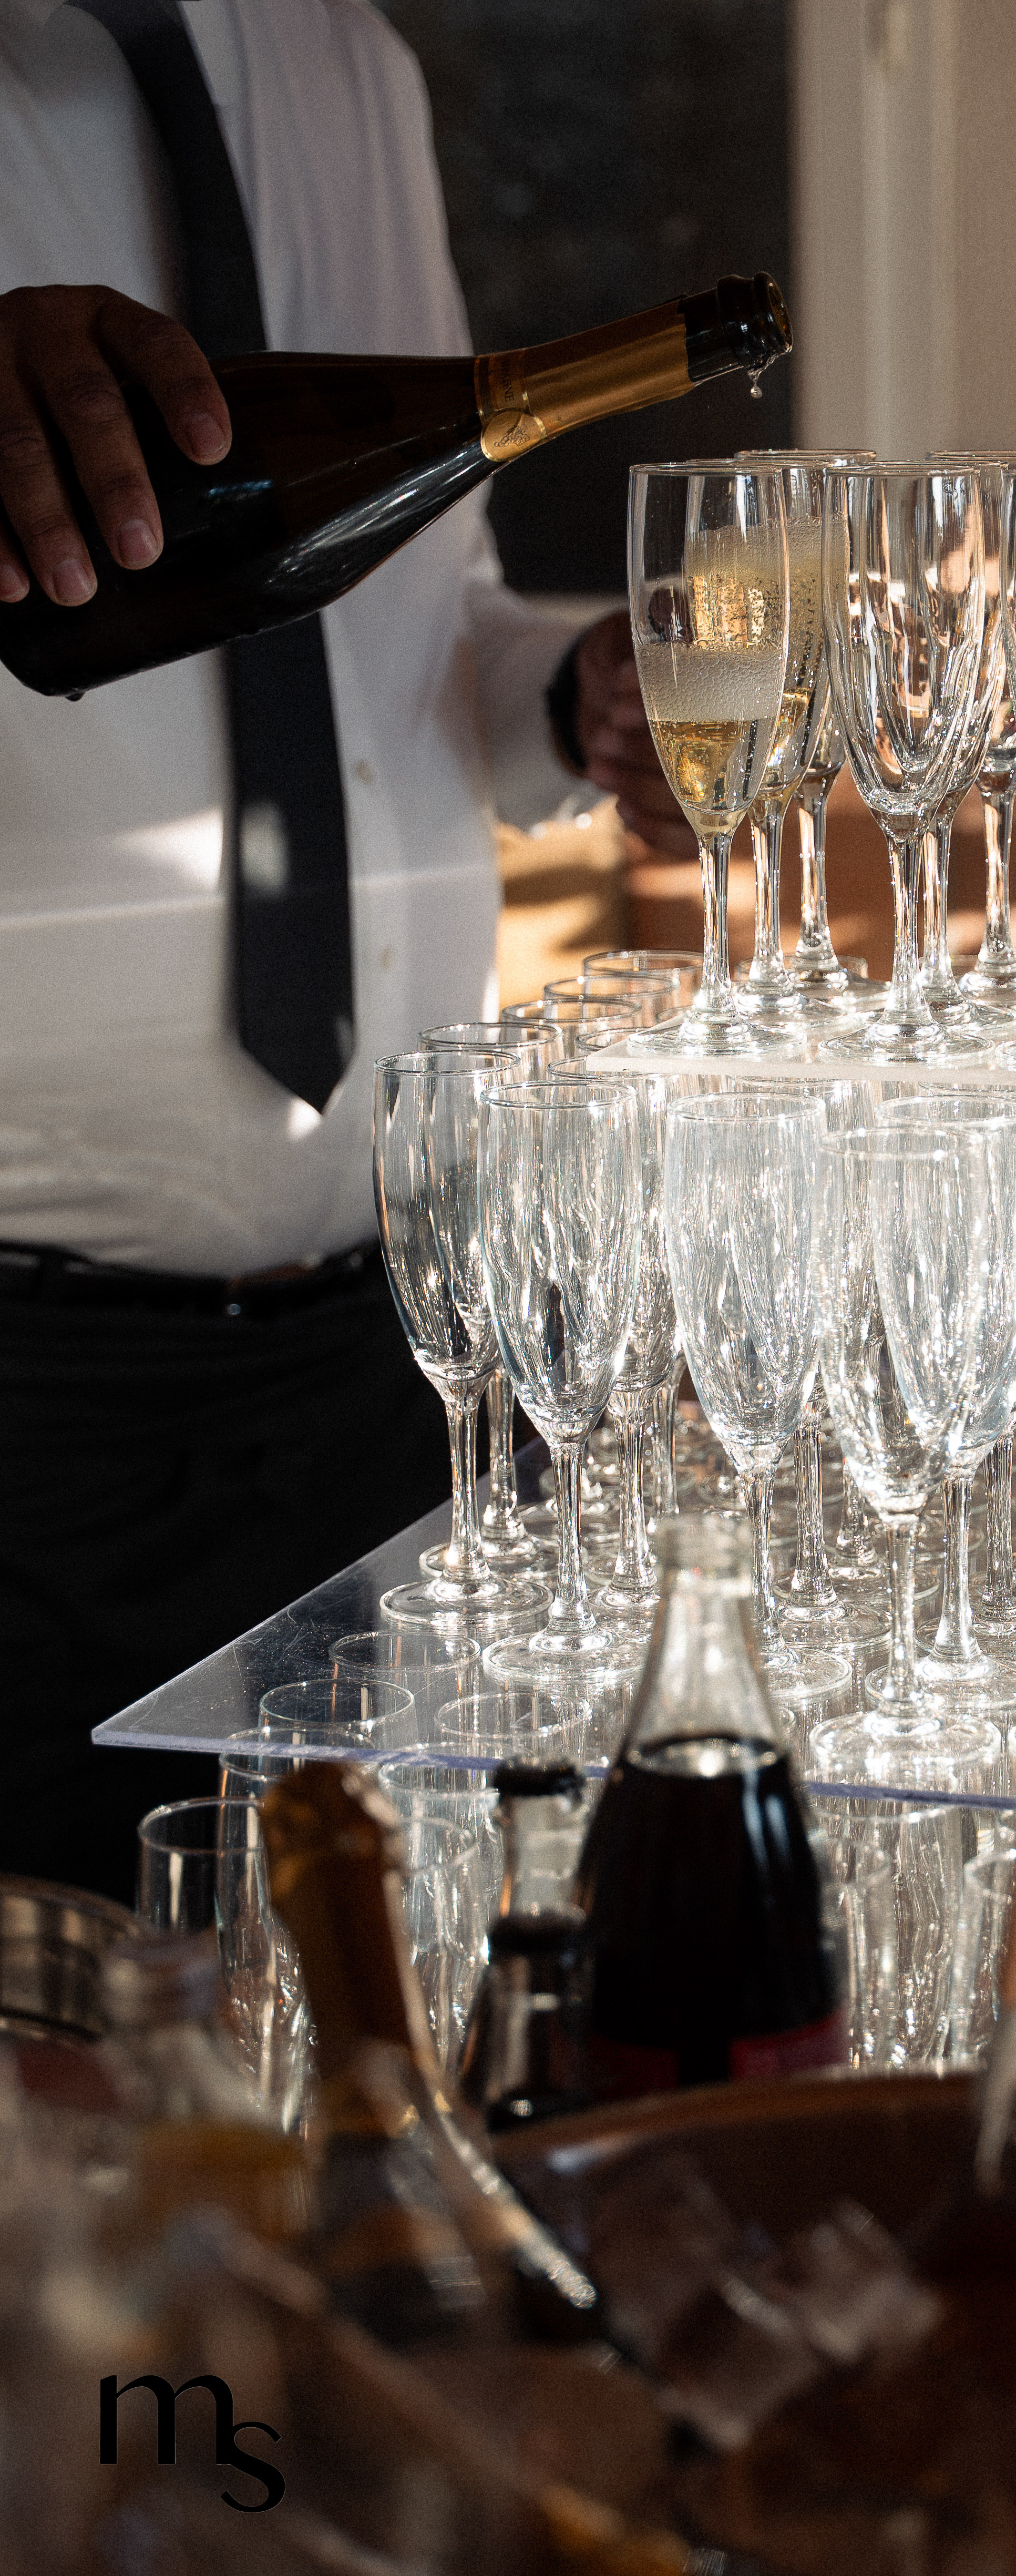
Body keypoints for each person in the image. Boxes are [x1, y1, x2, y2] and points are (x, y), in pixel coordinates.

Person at [0, 0, 689, 1902]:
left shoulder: (347, 73)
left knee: (398, 2020)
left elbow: (419, 614)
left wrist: (567, 697)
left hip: (396, 1346)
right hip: (29, 1394)